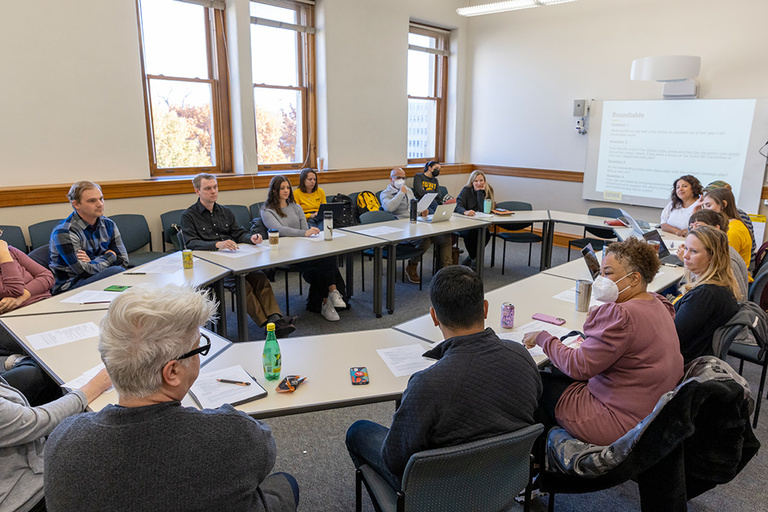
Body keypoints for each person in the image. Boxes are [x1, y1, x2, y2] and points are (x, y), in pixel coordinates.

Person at [43, 284, 299, 512]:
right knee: (285, 483)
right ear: (173, 372)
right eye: (199, 348)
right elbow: (265, 454)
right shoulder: (233, 434)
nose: (200, 356)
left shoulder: (62, 440)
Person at [346, 266, 542, 490]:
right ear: (485, 308)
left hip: (442, 491)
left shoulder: (427, 384)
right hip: (505, 481)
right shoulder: (522, 356)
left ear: (434, 317)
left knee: (358, 432)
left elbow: (394, 461)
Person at [524, 237, 683, 446]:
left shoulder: (622, 315)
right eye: (600, 272)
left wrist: (542, 337)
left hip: (618, 421)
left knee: (534, 381)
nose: (601, 279)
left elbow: (577, 366)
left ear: (634, 279)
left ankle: (548, 459)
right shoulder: (657, 303)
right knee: (556, 374)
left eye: (607, 273)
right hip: (650, 412)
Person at [181, 173, 295, 338]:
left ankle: (276, 319)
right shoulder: (189, 216)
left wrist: (252, 238)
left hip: (234, 259)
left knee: (260, 277)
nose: (213, 191)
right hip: (210, 265)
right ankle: (267, 325)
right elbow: (190, 243)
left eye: (215, 187)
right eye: (207, 188)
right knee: (243, 285)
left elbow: (239, 233)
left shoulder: (225, 212)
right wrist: (216, 244)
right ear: (197, 191)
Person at [0, 363, 110, 512]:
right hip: (25, 496)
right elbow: (38, 421)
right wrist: (95, 386)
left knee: (38, 375)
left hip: (26, 450)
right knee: (105, 453)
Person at [261, 176, 348, 322]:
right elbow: (279, 229)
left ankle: (328, 299)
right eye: (282, 188)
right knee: (323, 264)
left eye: (288, 187)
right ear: (274, 191)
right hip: (285, 253)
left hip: (303, 249)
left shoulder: (296, 207)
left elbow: (304, 228)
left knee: (326, 255)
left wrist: (305, 234)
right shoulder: (267, 210)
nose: (286, 191)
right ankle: (331, 294)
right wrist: (303, 234)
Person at [674, 226, 741, 363]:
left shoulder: (705, 295)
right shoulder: (721, 285)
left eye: (693, 251)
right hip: (694, 354)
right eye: (686, 248)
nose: (685, 255)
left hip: (680, 361)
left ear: (712, 257)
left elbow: (673, 337)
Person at [49, 181, 128, 294]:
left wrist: (91, 261)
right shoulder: (64, 231)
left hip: (98, 278)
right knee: (117, 271)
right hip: (71, 286)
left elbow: (123, 260)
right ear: (76, 204)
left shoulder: (108, 224)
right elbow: (83, 271)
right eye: (92, 201)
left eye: (101, 199)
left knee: (126, 276)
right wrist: (110, 255)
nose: (100, 204)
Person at [380, 168, 453, 282]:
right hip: (400, 229)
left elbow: (414, 206)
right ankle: (412, 266)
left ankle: (446, 272)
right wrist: (400, 193)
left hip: (416, 223)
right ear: (391, 179)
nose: (401, 180)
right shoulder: (385, 193)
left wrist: (422, 211)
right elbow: (389, 208)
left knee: (445, 238)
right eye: (398, 177)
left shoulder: (408, 190)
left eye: (403, 178)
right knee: (425, 241)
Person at [684, 209, 748, 299]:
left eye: (699, 227)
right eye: (691, 228)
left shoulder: (729, 259)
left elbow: (740, 300)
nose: (694, 231)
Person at [702, 180, 756, 270]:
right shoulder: (729, 224)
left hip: (733, 278)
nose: (704, 210)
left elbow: (725, 265)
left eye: (708, 205)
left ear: (723, 205)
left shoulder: (732, 231)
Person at [0, 230, 53, 313]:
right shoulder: (4, 252)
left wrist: (22, 297)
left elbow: (47, 276)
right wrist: (4, 256)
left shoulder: (11, 250)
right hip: (17, 313)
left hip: (44, 302)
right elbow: (15, 289)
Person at [455, 170, 493, 268]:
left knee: (487, 235)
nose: (479, 183)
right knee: (469, 234)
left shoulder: (488, 190)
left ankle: (472, 257)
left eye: (481, 180)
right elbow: (458, 205)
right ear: (472, 182)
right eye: (476, 181)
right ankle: (474, 258)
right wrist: (465, 212)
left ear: (485, 181)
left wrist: (480, 193)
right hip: (465, 222)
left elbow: (484, 210)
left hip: (480, 222)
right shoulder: (466, 190)